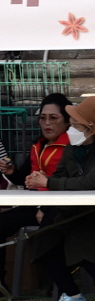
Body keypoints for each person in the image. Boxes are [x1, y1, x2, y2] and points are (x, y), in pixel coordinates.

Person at [25, 96, 95, 301]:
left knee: (82, 238)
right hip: (74, 212)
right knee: (45, 238)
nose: (71, 129)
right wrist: (43, 179)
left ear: (91, 129)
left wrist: (48, 182)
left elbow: (88, 183)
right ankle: (72, 295)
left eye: (76, 126)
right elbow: (62, 175)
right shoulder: (72, 149)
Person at [0, 93, 74, 241]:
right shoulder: (38, 145)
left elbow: (76, 184)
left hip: (60, 207)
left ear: (67, 121)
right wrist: (12, 172)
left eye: (53, 118)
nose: (47, 123)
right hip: (33, 203)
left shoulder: (72, 147)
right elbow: (24, 179)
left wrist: (45, 208)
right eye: (42, 118)